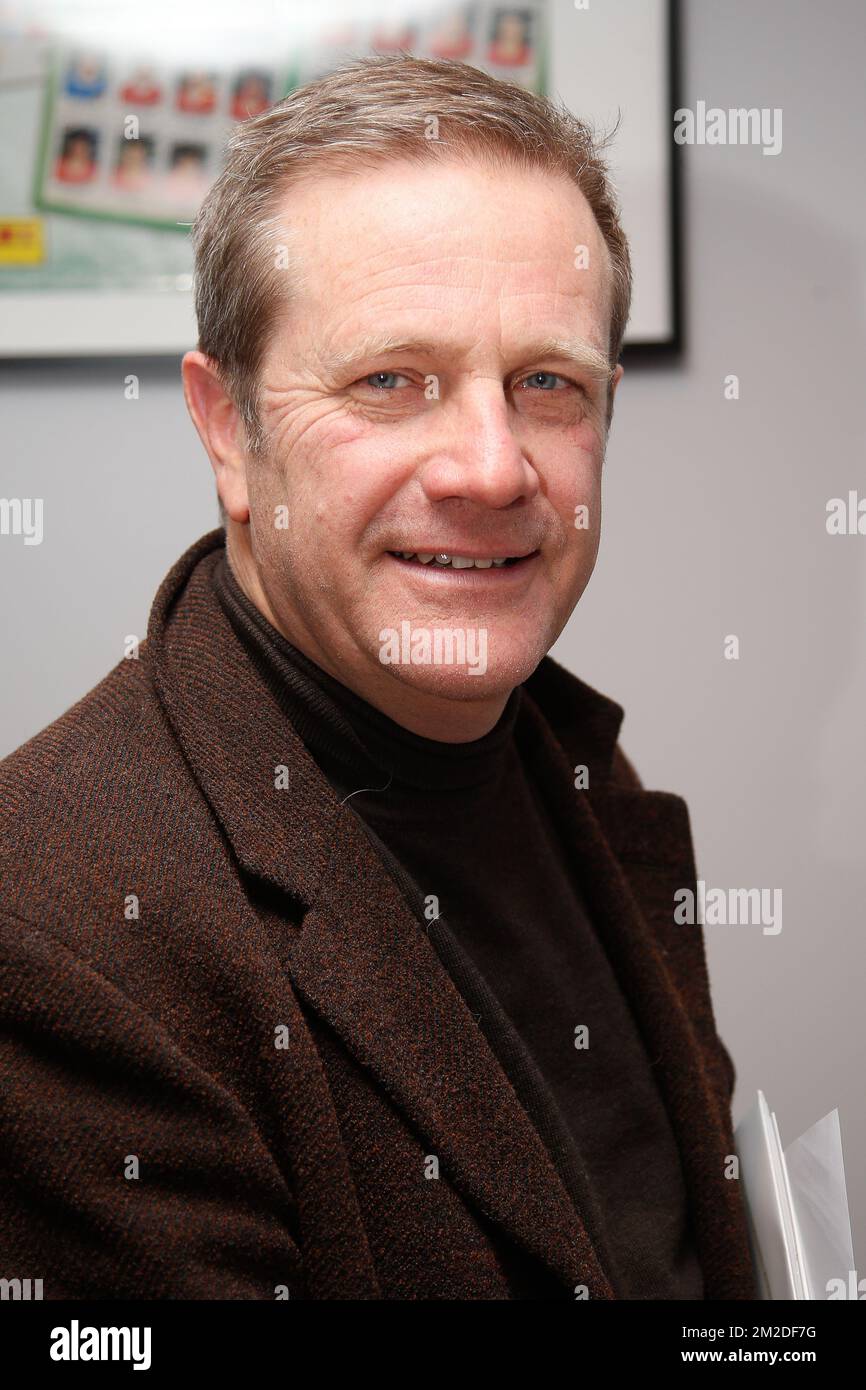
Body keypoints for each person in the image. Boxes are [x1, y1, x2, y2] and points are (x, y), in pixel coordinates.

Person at [0, 54, 757, 1300]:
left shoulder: (572, 764)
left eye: (545, 384)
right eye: (389, 381)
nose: (489, 468)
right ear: (228, 430)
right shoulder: (60, 933)